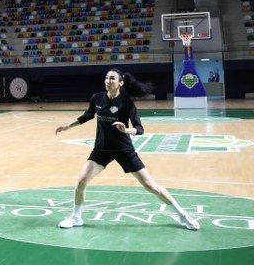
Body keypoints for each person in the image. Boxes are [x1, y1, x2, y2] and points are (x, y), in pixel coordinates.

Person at [55, 69, 200, 231]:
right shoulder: (97, 98)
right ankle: (76, 217)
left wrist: (126, 130)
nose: (107, 81)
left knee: (150, 185)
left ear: (120, 83)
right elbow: (87, 115)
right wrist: (67, 126)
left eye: (112, 78)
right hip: (102, 149)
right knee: (81, 181)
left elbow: (139, 128)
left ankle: (182, 214)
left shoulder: (127, 102)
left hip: (123, 149)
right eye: (106, 78)